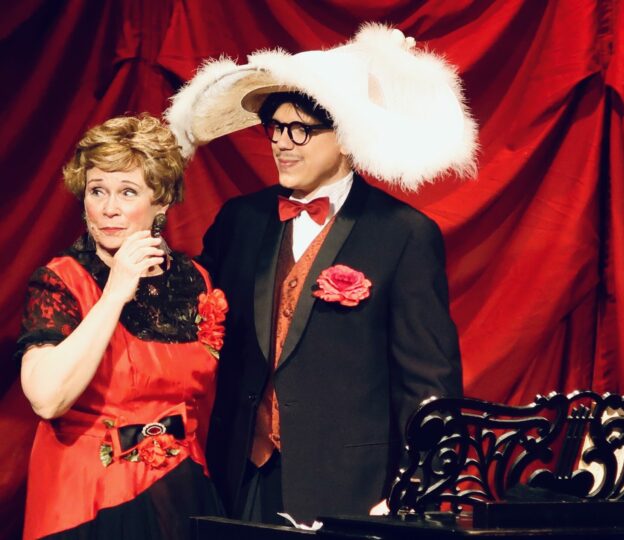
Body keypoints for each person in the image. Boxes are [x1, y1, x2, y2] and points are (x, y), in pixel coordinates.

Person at [166, 23, 477, 525]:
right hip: (242, 475)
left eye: (301, 130)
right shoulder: (240, 220)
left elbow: (429, 383)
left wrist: (412, 489)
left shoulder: (402, 234)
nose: (282, 144)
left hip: (351, 488)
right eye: (275, 128)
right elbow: (190, 319)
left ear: (348, 139)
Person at [17, 115, 225, 539]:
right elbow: (46, 399)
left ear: (161, 201)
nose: (108, 208)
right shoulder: (61, 280)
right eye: (97, 191)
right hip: (88, 497)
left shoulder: (196, 281)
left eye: (127, 192)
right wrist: (113, 294)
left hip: (179, 489)